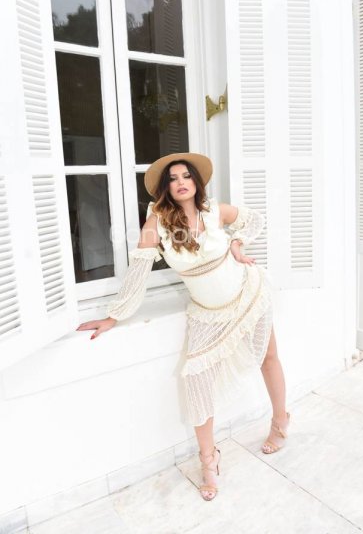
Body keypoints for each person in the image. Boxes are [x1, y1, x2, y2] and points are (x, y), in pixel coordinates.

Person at [76, 152, 290, 501]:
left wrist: (237, 245)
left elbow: (253, 220)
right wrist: (114, 316)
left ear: (196, 182)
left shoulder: (214, 210)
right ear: (166, 187)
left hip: (247, 293)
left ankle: (280, 422)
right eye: (173, 178)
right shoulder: (157, 223)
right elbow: (138, 272)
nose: (180, 182)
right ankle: (209, 460)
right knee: (197, 385)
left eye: (186, 176)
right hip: (208, 314)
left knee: (268, 357)